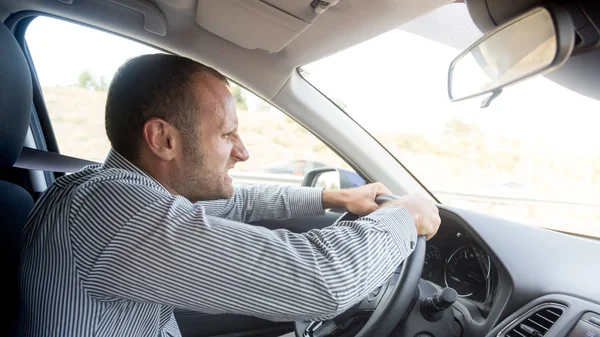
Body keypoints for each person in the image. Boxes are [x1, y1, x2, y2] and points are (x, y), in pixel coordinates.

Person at [19, 54, 441, 337]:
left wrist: (335, 199)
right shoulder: (116, 212)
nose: (242, 152)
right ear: (163, 138)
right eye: (226, 134)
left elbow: (238, 202)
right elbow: (318, 282)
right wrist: (407, 215)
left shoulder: (96, 186)